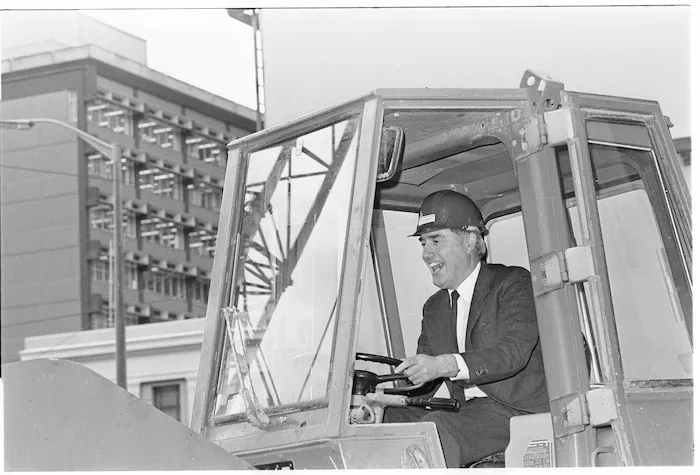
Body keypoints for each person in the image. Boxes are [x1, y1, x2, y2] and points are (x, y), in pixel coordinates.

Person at [384, 189, 549, 468]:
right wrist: (382, 400)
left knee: (436, 429)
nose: (426, 253)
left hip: (516, 412)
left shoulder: (513, 284)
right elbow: (423, 383)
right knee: (385, 421)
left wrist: (445, 365)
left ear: (471, 240)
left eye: (436, 240)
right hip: (468, 411)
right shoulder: (434, 307)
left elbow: (511, 353)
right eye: (423, 243)